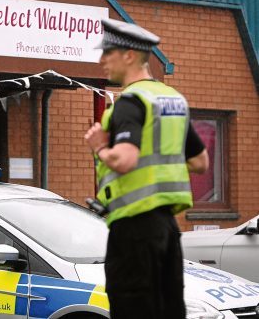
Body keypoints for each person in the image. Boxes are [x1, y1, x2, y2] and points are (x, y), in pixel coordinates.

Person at [84, 18, 209, 319]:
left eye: (108, 53)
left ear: (128, 55)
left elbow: (125, 160)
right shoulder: (172, 101)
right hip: (167, 228)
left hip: (133, 230)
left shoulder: (130, 102)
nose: (102, 61)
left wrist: (100, 146)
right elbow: (200, 162)